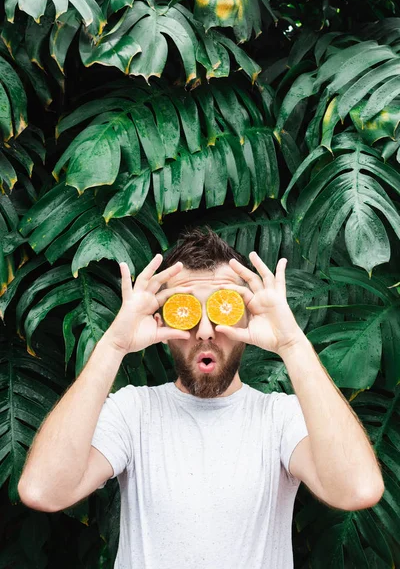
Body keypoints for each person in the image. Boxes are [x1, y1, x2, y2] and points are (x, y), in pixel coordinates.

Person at [18, 227, 384, 569]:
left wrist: (291, 343)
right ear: (163, 318)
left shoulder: (280, 419)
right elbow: (43, 491)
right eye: (187, 310)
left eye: (223, 307)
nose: (205, 331)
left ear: (246, 317)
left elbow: (358, 490)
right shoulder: (133, 413)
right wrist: (113, 345)